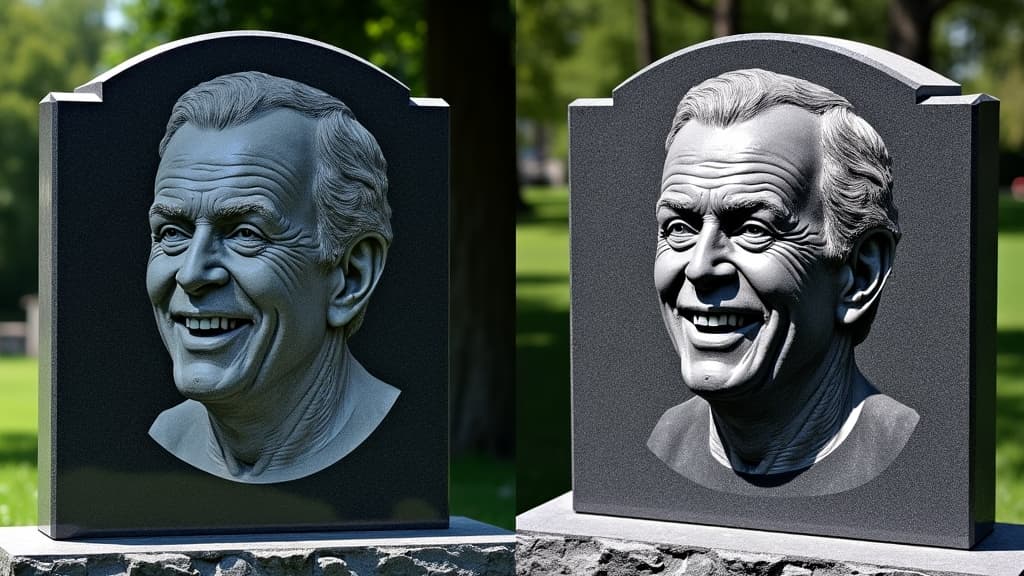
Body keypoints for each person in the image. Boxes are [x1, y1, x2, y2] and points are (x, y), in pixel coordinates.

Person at [646, 69, 918, 496]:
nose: (699, 268)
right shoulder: (666, 439)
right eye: (680, 227)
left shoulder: (906, 457)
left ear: (859, 274)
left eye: (753, 229)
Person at [146, 71, 399, 484]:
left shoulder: (396, 451)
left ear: (351, 276)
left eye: (246, 234)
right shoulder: (168, 435)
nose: (192, 273)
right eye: (172, 233)